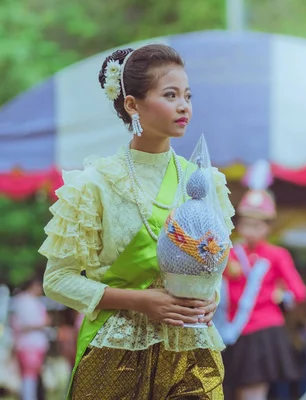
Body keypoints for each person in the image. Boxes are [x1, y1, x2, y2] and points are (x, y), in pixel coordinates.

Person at [39, 44, 235, 399]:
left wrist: (211, 298)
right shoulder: (93, 184)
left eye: (188, 96)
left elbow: (213, 263)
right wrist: (138, 300)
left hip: (190, 348)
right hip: (116, 352)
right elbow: (57, 280)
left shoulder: (205, 182)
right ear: (132, 104)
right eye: (170, 94)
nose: (184, 106)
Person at [219, 159, 306, 400]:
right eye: (247, 223)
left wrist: (278, 295)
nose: (251, 230)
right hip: (232, 329)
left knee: (253, 393)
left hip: (264, 330)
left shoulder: (278, 255)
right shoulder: (228, 253)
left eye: (258, 225)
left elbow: (298, 292)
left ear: (268, 227)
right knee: (230, 391)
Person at [11, 278, 50, 400]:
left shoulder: (30, 301)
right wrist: (44, 323)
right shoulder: (25, 301)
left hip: (31, 343)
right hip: (30, 343)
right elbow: (27, 323)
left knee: (30, 375)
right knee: (29, 375)